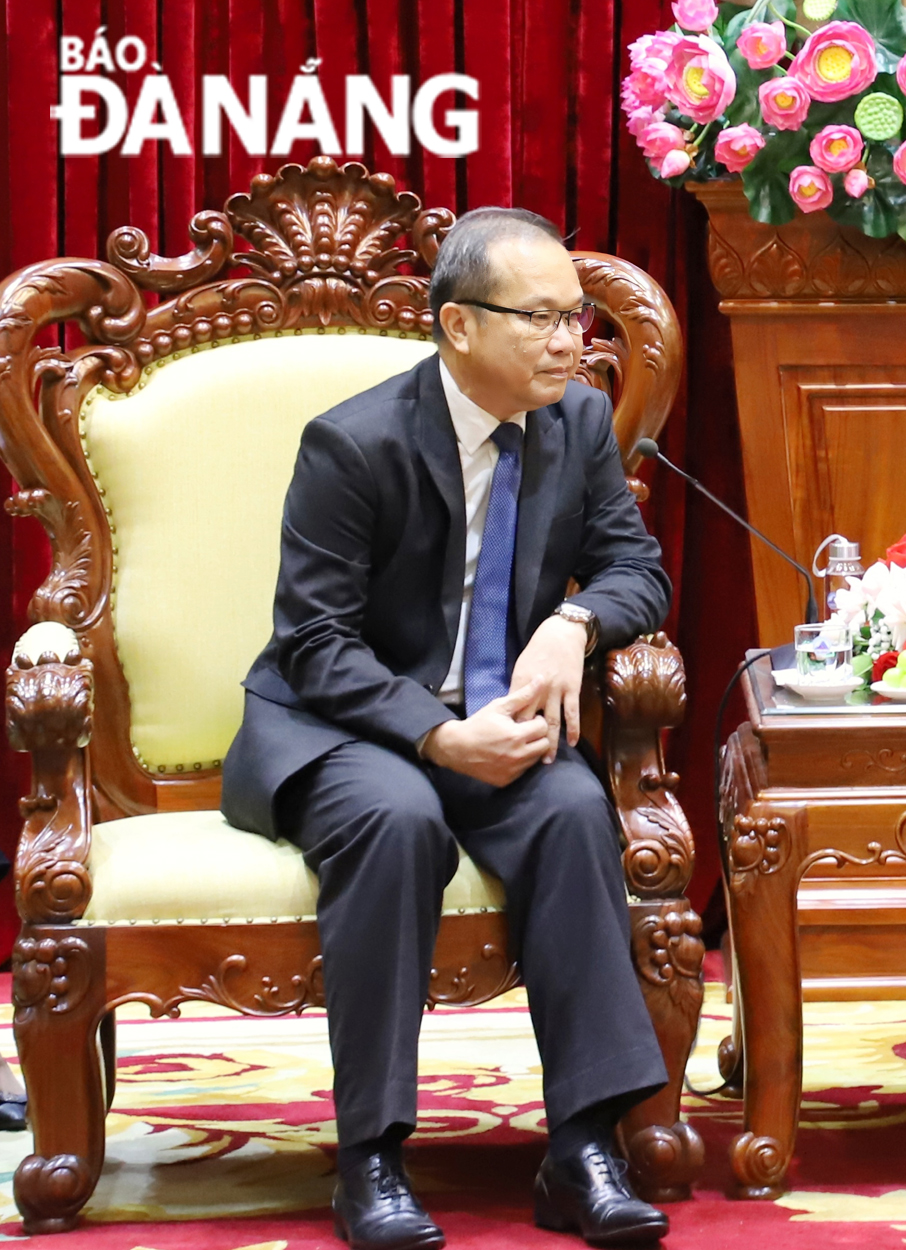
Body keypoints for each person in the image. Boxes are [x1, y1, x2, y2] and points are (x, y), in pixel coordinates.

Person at [221, 207, 673, 1250]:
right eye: (541, 318)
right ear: (459, 326)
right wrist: (433, 734)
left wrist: (573, 622)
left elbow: (634, 569)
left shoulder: (578, 423)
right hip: (340, 723)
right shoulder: (354, 441)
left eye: (577, 316)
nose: (569, 340)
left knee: (569, 806)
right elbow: (315, 643)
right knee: (398, 819)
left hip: (490, 719)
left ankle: (581, 1146)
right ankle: (373, 1156)